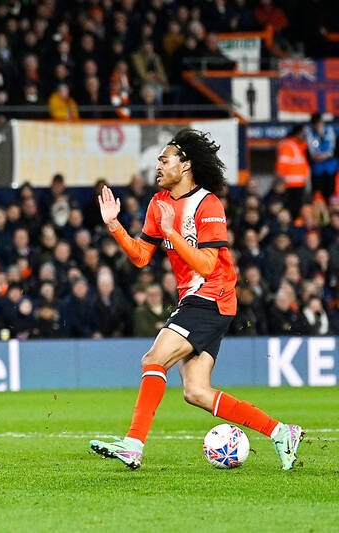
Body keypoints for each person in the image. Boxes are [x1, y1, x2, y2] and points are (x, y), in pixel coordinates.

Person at [89, 128, 303, 470]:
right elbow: (143, 256)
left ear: (185, 165)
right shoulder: (158, 203)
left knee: (153, 358)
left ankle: (133, 443)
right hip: (195, 299)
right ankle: (280, 431)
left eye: (165, 159)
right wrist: (114, 226)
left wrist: (173, 231)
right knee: (196, 392)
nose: (158, 165)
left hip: (213, 295)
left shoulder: (208, 204)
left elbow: (206, 264)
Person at [276, 125, 310, 217]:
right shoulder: (288, 145)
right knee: (292, 208)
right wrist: (280, 182)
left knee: (297, 207)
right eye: (302, 133)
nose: (304, 136)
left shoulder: (298, 145)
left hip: (298, 183)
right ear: (297, 133)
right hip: (290, 184)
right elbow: (282, 165)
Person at [304, 113, 338, 203]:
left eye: (319, 123)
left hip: (330, 168)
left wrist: (321, 135)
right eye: (315, 124)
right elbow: (313, 150)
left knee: (330, 192)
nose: (317, 126)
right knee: (318, 193)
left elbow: (331, 149)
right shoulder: (309, 132)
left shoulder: (329, 130)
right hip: (317, 169)